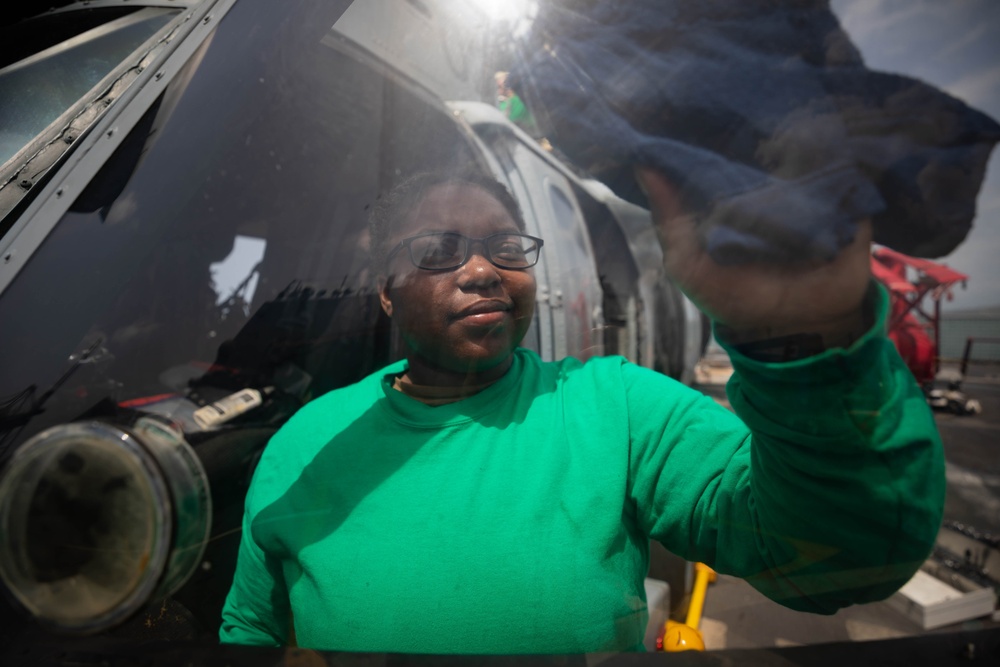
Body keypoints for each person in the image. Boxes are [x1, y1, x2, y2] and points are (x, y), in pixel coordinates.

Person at [219, 166, 944, 653]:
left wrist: (799, 339)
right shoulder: (308, 440)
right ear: (386, 290)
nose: (481, 269)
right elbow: (251, 635)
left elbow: (838, 555)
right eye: (439, 250)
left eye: (506, 246)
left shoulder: (616, 406)